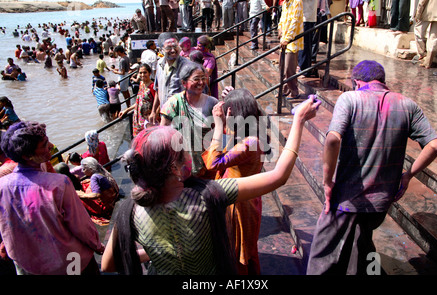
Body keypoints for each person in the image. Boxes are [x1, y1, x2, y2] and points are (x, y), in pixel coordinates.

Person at [101, 96, 319, 275]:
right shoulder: (209, 196)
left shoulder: (127, 212)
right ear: (175, 169)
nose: (190, 152)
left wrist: (156, 252)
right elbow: (279, 176)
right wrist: (299, 120)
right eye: (184, 149)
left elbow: (108, 265)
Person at [306, 60, 437, 275]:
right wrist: (408, 176)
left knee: (323, 256)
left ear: (356, 82)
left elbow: (332, 140)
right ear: (382, 81)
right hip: (381, 200)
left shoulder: (350, 99)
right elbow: (435, 145)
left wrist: (327, 181)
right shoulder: (407, 104)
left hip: (346, 198)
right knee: (361, 247)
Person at [0, 121, 104, 275]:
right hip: (71, 261)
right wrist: (98, 246)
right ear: (27, 155)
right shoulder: (59, 184)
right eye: (44, 145)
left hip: (32, 265)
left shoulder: (2, 186)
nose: (50, 146)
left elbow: (7, 229)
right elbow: (81, 227)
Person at [202, 88, 269, 275]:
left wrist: (217, 125)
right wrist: (234, 99)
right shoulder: (254, 129)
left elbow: (213, 162)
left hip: (239, 203)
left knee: (239, 251)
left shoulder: (250, 143)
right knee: (243, 249)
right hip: (242, 195)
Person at [77, 157, 119, 226]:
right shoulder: (100, 171)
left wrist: (82, 195)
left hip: (107, 206)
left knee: (81, 198)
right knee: (85, 184)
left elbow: (96, 195)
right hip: (113, 197)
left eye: (84, 169)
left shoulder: (94, 177)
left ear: (90, 169)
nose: (82, 171)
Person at [119, 64, 158, 137]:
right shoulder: (141, 84)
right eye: (140, 73)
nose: (142, 75)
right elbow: (138, 102)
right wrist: (126, 110)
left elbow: (157, 103)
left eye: (145, 72)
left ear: (149, 73)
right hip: (137, 118)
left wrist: (153, 116)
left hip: (147, 120)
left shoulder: (153, 86)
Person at [154, 33, 189, 108]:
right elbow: (157, 89)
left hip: (181, 114)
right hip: (164, 113)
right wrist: (154, 111)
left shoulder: (188, 66)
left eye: (175, 46)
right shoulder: (159, 64)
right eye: (168, 48)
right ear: (161, 50)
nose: (173, 50)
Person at [278, 0, 304, 100]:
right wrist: (280, 30)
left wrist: (287, 39)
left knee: (289, 68)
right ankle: (285, 90)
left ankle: (294, 91)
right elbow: (282, 19)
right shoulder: (285, 3)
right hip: (283, 40)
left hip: (292, 41)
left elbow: (295, 22)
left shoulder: (297, 2)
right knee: (282, 67)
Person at [413, 0, 437, 69]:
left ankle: (423, 53)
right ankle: (428, 62)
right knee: (434, 38)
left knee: (418, 30)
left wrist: (418, 12)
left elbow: (422, 1)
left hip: (428, 10)